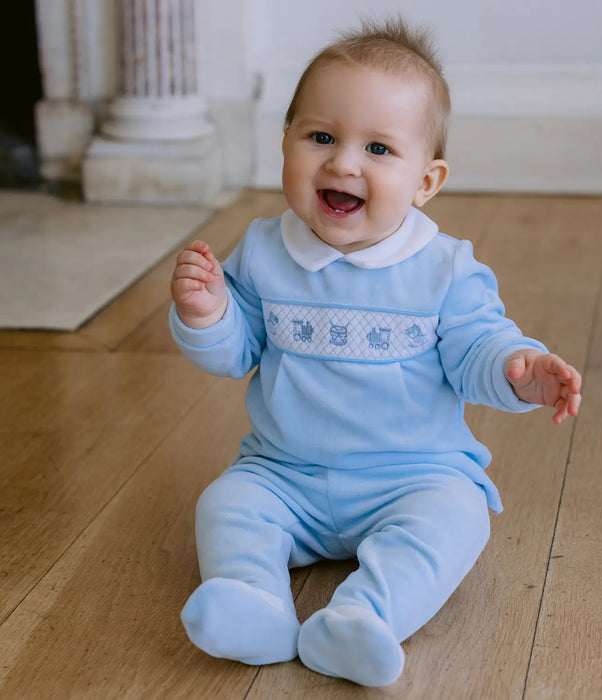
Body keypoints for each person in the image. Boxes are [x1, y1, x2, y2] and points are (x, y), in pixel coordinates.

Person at [169, 17, 581, 687]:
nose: (343, 163)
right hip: (284, 473)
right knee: (226, 504)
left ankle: (365, 618)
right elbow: (235, 350)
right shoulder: (265, 251)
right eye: (321, 137)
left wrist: (521, 370)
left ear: (426, 180)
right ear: (285, 144)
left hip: (413, 475)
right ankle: (252, 601)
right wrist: (208, 312)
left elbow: (479, 345)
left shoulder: (444, 268)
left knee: (458, 517)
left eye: (380, 149)